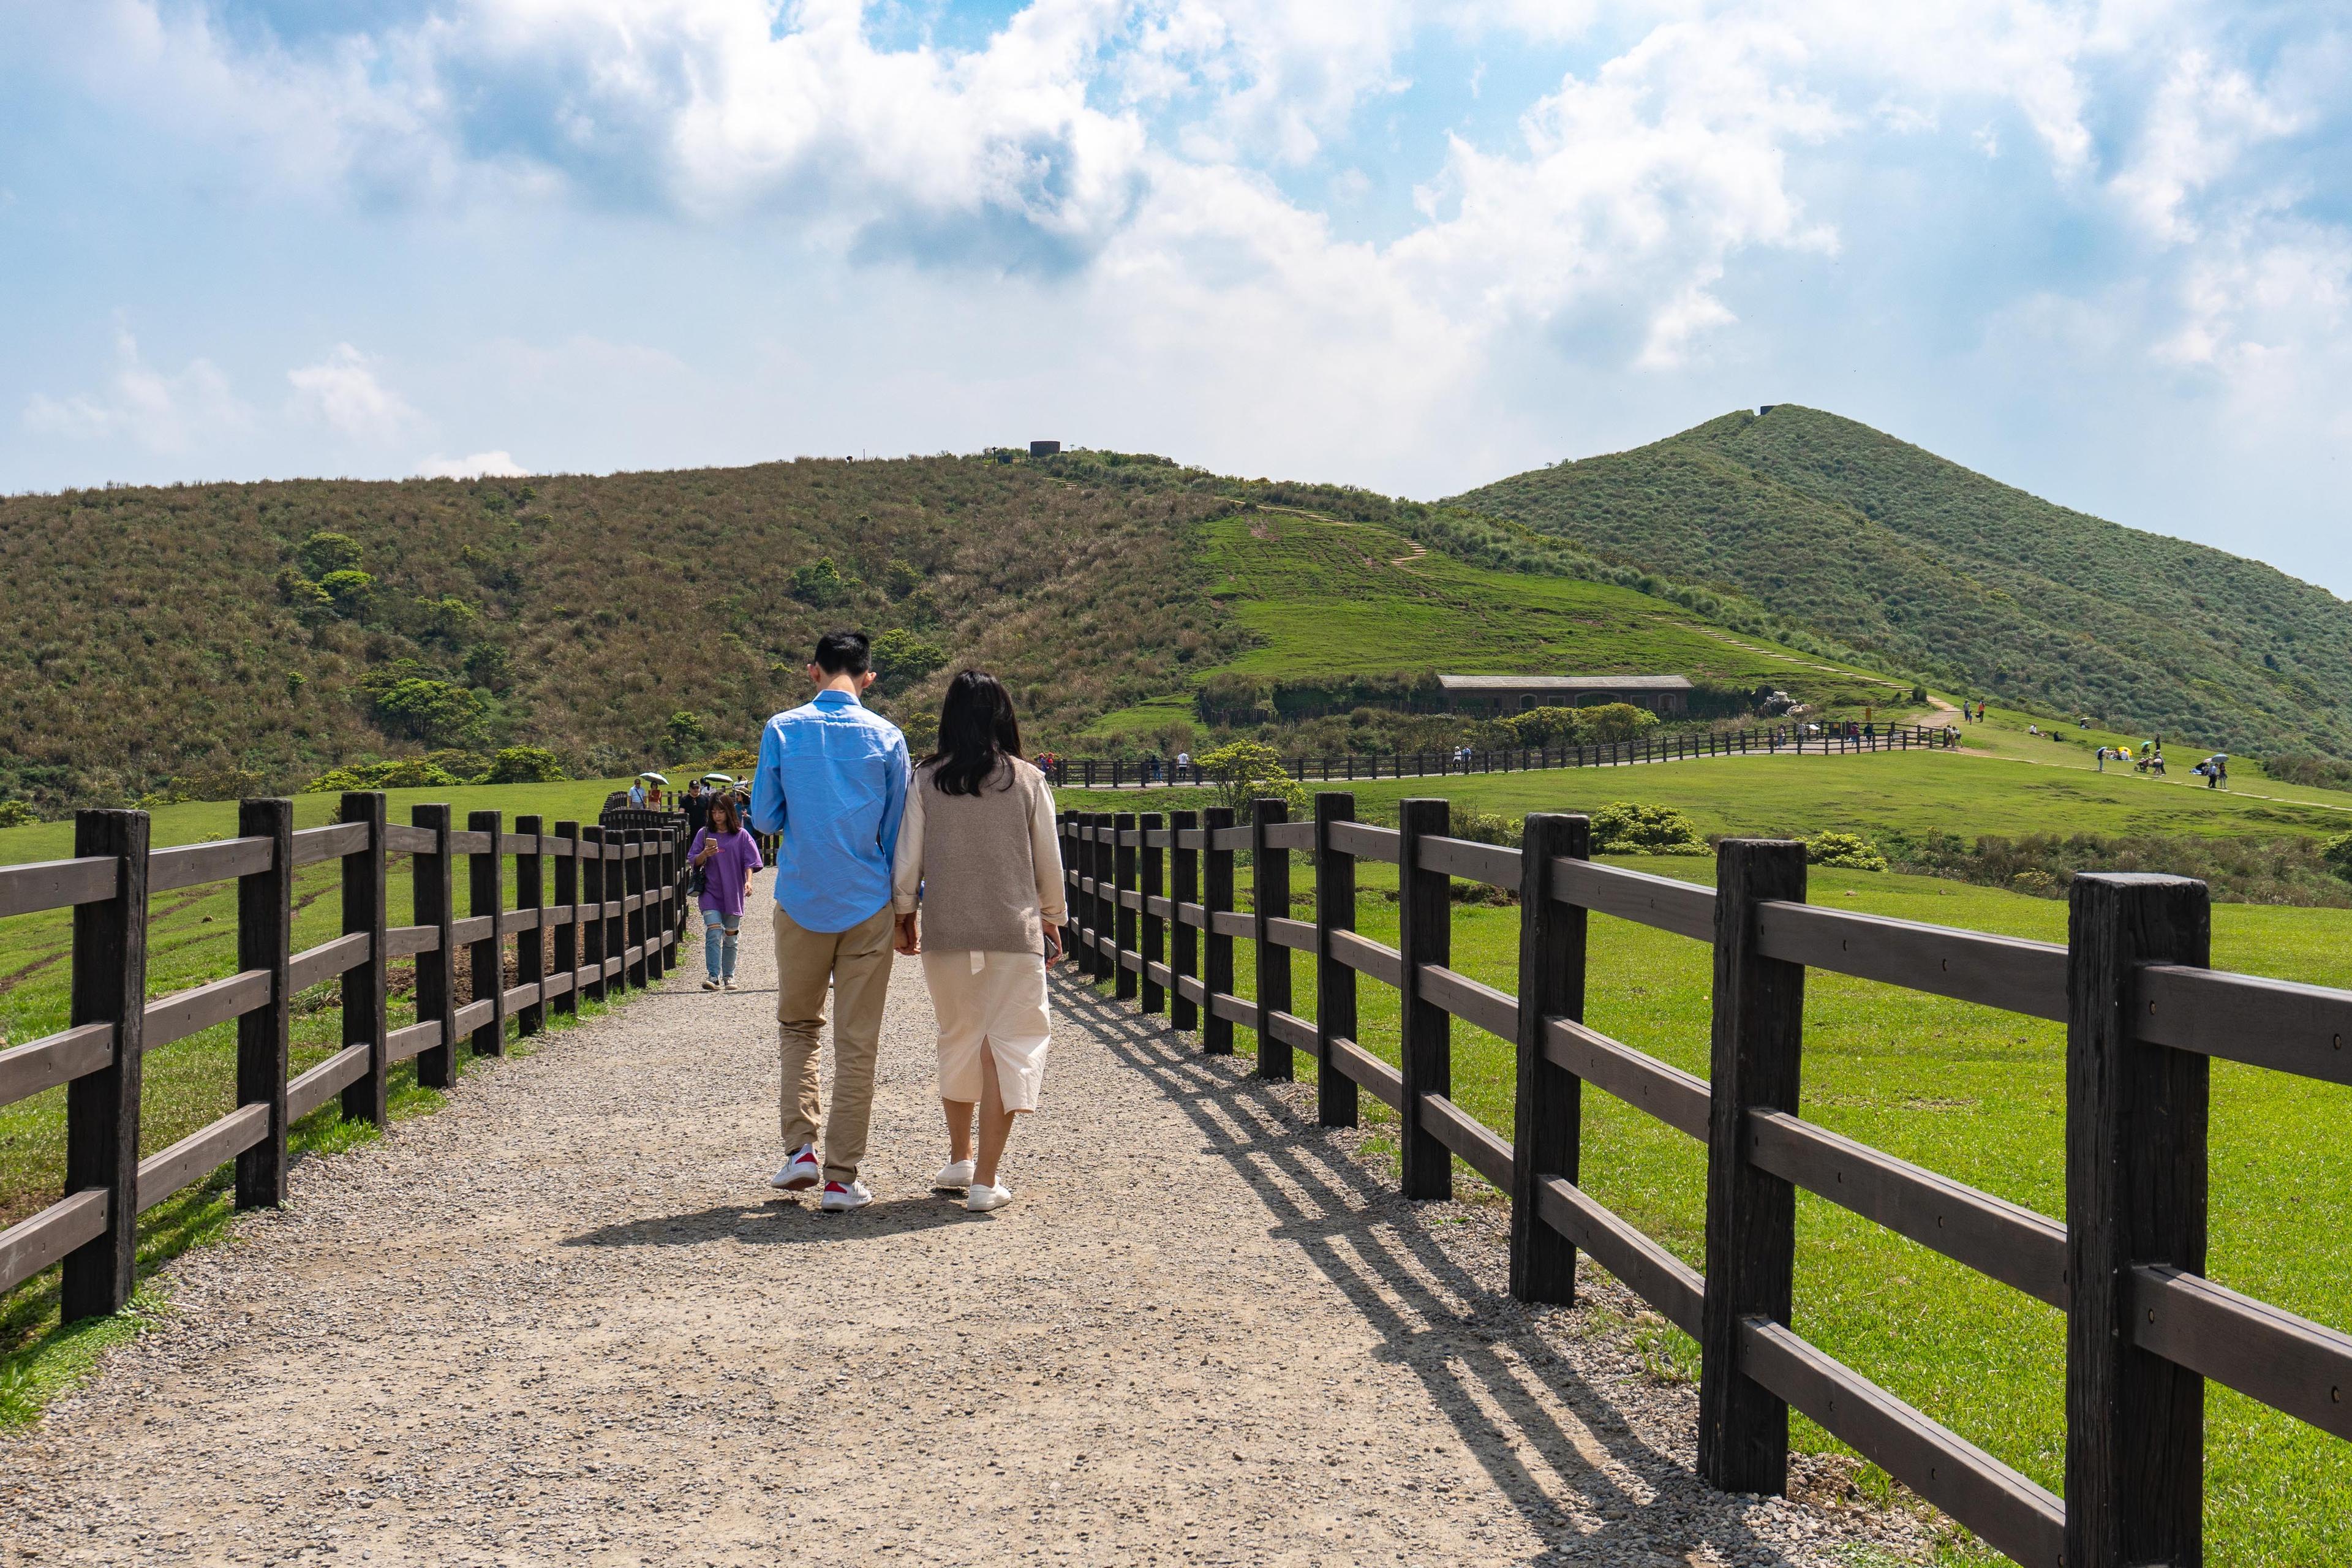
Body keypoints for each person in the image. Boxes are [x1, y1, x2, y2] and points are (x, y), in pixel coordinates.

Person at [750, 630, 912, 1213]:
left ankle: (801, 1150)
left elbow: (765, 817)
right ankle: (843, 1178)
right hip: (867, 902)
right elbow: (898, 835)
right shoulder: (889, 737)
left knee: (799, 1027)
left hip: (801, 899)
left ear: (812, 671)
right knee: (857, 1042)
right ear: (868, 677)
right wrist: (906, 909)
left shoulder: (783, 729)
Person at [892, 671, 1065, 1214]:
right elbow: (1049, 862)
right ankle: (985, 1181)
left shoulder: (926, 779)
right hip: (1012, 931)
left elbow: (907, 858)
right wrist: (1054, 917)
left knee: (959, 1037)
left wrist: (904, 914)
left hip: (947, 931)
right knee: (1007, 1044)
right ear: (1003, 716)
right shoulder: (1027, 779)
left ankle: (960, 1156)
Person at [690, 794, 763, 992]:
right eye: (713, 812)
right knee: (713, 932)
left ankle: (729, 976)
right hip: (710, 892)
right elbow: (693, 860)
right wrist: (704, 854)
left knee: (730, 937)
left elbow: (751, 862)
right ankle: (713, 976)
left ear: (729, 812)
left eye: (721, 811)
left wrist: (748, 882)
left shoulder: (742, 836)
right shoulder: (704, 834)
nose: (717, 816)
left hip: (733, 893)